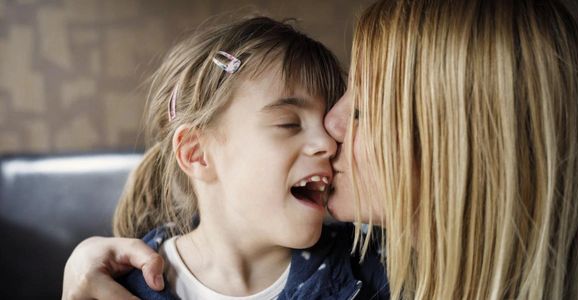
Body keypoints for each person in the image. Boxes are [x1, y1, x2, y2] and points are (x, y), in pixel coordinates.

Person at [62, 0, 578, 299]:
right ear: (196, 153)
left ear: (456, 146)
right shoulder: (133, 281)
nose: (331, 131)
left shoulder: (375, 270)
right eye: (289, 122)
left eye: (363, 108)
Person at [74, 16, 388, 300]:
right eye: (289, 124)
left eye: (325, 124)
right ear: (196, 154)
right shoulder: (121, 287)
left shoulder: (371, 265)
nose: (328, 144)